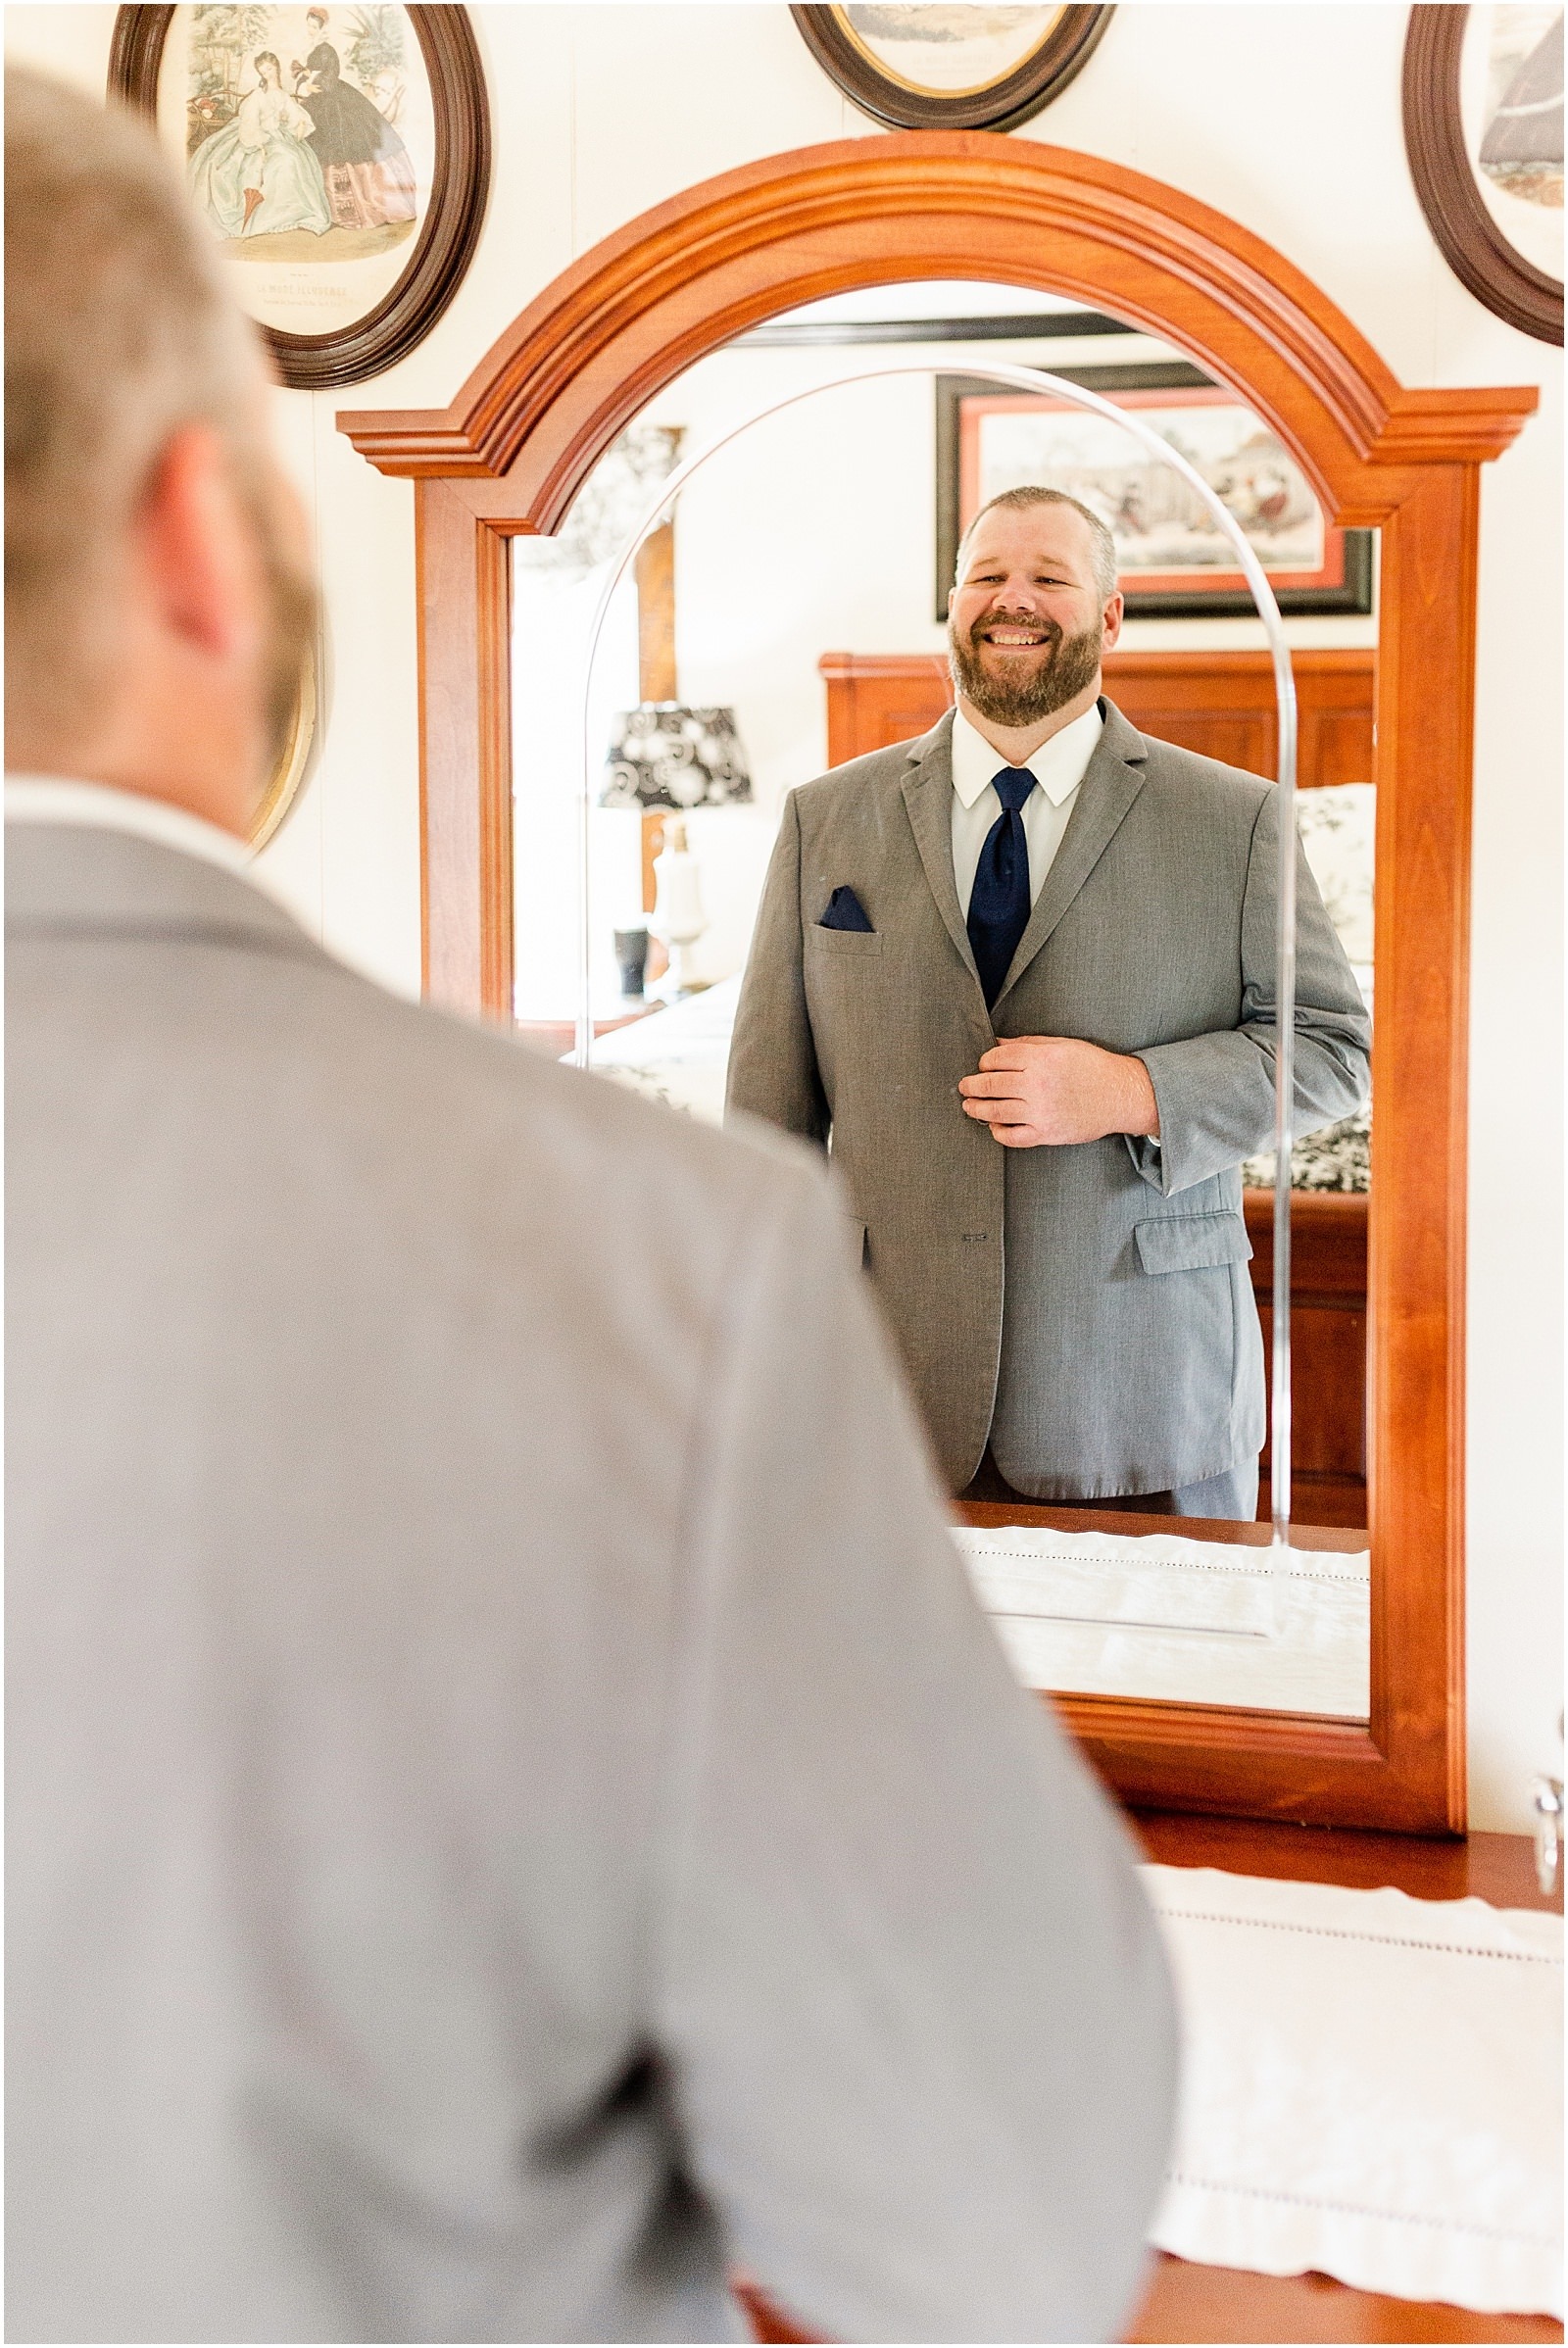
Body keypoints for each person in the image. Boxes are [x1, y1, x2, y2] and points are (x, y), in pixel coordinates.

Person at [6, 70, 1177, 2346]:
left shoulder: (1215, 820)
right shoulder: (653, 1266)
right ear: (190, 537)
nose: (1007, 598)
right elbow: (996, 2227)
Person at [727, 486, 1370, 1518]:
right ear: (951, 606)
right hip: (876, 1393)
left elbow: (1335, 1049)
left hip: (1144, 1394)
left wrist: (1132, 1090)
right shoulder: (821, 819)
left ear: (1108, 614)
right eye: (986, 576)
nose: (1010, 600)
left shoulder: (1237, 819)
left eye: (1047, 578)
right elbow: (766, 1117)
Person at [291, 7, 417, 232]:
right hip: (317, 101)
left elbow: (331, 77)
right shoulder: (312, 48)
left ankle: (354, 207)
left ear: (322, 28)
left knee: (346, 144)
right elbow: (305, 73)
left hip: (333, 101)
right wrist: (304, 81)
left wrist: (311, 85)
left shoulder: (326, 49)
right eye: (308, 25)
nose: (310, 29)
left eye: (314, 26)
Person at [187, 52, 331, 242]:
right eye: (263, 71)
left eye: (269, 69)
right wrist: (260, 143)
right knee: (275, 162)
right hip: (256, 138)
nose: (267, 74)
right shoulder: (257, 96)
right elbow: (249, 124)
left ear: (277, 68)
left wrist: (299, 127)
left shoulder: (283, 95)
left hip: (280, 137)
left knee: (293, 159)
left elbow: (296, 116)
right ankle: (260, 217)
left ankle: (294, 213)